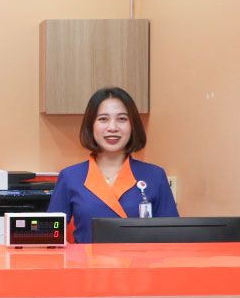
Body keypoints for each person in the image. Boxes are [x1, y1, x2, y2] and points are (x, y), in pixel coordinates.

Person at [48, 87, 177, 243]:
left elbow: (172, 239)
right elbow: (50, 238)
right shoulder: (70, 177)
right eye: (103, 119)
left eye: (122, 119)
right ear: (91, 125)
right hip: (86, 260)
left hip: (139, 260)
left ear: (133, 125)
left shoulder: (155, 176)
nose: (112, 128)